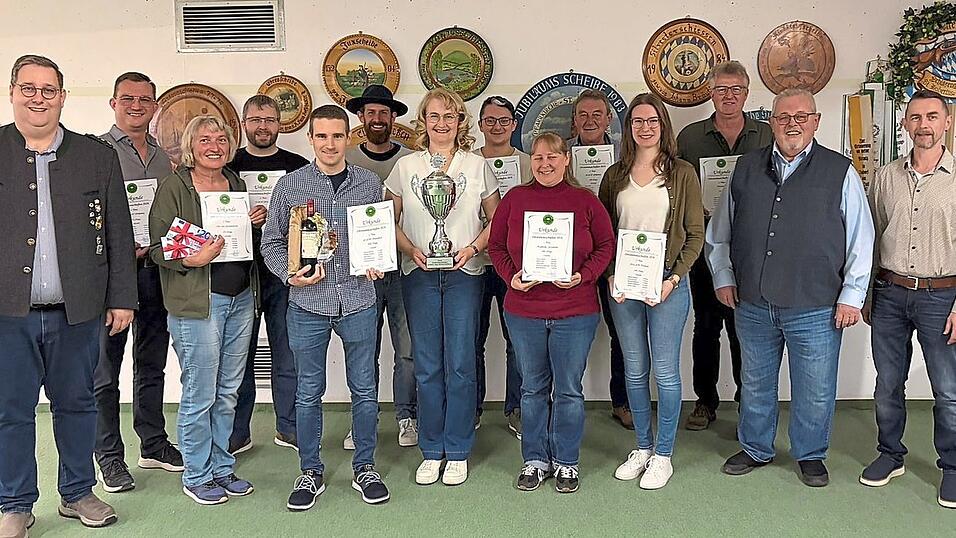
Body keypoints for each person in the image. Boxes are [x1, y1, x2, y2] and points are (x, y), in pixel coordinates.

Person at [706, 88, 874, 487]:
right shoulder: (745, 167)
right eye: (783, 117)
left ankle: (811, 454)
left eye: (802, 116)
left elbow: (860, 239)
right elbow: (720, 232)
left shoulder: (840, 171)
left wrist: (852, 296)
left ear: (815, 121)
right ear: (772, 122)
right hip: (754, 302)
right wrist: (723, 275)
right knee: (756, 382)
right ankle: (755, 447)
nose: (792, 123)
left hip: (816, 304)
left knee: (814, 389)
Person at [0, 54, 136, 534]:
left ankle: (78, 492)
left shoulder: (95, 156)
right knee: (10, 411)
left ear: (63, 96)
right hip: (8, 312)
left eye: (49, 89)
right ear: (13, 91)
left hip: (78, 311)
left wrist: (122, 296)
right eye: (29, 88)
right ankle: (14, 503)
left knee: (77, 404)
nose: (39, 98)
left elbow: (119, 229)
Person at [262, 105, 389, 510]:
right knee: (308, 391)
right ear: (311, 139)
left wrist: (379, 260)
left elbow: (378, 234)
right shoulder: (290, 186)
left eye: (337, 136)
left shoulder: (369, 184)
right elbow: (272, 242)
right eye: (322, 136)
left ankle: (365, 466)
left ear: (347, 138)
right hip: (307, 303)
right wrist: (289, 273)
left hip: (357, 299)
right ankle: (310, 470)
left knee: (365, 389)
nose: (330, 144)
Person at [385, 87, 500, 486]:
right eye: (434, 116)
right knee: (428, 364)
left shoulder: (476, 165)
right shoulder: (406, 166)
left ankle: (459, 448)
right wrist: (411, 248)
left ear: (460, 122)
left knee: (461, 363)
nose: (441, 123)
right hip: (418, 274)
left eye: (449, 116)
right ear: (424, 121)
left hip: (464, 275)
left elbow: (496, 220)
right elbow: (386, 218)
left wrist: (472, 248)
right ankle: (432, 449)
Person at [488, 131, 613, 493]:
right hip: (524, 310)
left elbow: (606, 246)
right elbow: (496, 246)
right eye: (538, 158)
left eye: (552, 157)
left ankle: (567, 461)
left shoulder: (585, 201)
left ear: (566, 160)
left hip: (575, 311)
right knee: (532, 388)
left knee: (569, 390)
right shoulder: (515, 198)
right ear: (531, 161)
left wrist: (583, 276)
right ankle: (535, 459)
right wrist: (511, 278)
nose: (545, 164)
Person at [149, 115, 262, 505]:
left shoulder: (236, 183)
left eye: (220, 139)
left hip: (241, 298)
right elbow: (157, 248)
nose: (213, 146)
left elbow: (239, 241)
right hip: (199, 303)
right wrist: (193, 260)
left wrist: (253, 223)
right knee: (200, 392)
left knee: (228, 390)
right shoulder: (174, 186)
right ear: (189, 147)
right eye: (204, 140)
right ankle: (197, 473)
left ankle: (221, 467)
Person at [602, 93, 704, 489]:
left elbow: (695, 236)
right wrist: (610, 275)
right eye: (637, 121)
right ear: (629, 128)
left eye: (652, 120)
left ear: (663, 125)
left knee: (664, 371)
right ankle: (642, 447)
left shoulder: (682, 173)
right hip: (624, 283)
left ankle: (663, 455)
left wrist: (673, 279)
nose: (645, 127)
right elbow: (603, 234)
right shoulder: (615, 175)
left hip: (667, 282)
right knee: (634, 369)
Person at [861, 89, 956, 508]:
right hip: (890, 293)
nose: (924, 125)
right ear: (905, 124)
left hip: (943, 296)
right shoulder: (885, 177)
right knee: (887, 383)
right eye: (915, 117)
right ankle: (890, 453)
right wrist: (865, 293)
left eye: (932, 116)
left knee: (948, 388)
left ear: (947, 122)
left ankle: (952, 467)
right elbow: (870, 239)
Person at [93, 72, 182, 495]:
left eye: (145, 99)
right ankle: (109, 457)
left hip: (156, 273)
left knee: (152, 364)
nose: (136, 105)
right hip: (111, 277)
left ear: (154, 107)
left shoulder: (165, 158)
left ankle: (153, 442)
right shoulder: (95, 152)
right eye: (127, 98)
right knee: (105, 372)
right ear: (113, 103)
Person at [677, 61, 773, 431]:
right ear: (711, 93)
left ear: (746, 94)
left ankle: (748, 399)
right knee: (706, 326)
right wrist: (695, 205)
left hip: (752, 249)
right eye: (721, 89)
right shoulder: (690, 137)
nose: (729, 96)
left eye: (736, 90)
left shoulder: (765, 134)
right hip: (705, 245)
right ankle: (705, 400)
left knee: (745, 328)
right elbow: (678, 185)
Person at [228, 94, 309, 456]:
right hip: (239, 273)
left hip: (284, 274)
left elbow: (312, 217)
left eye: (270, 119)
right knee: (239, 355)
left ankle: (289, 427)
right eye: (255, 119)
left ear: (280, 123)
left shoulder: (299, 166)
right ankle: (237, 432)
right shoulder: (227, 165)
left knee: (287, 350)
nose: (263, 126)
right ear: (244, 124)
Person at [344, 84, 418, 449]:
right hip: (361, 274)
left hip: (403, 269)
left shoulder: (410, 160)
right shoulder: (347, 160)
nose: (377, 119)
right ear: (361, 117)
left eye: (384, 113)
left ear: (393, 118)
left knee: (406, 349)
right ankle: (363, 419)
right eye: (371, 112)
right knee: (364, 348)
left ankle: (406, 416)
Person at [568, 89, 629, 427]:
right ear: (574, 121)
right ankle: (560, 400)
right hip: (569, 257)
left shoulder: (624, 160)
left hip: (612, 256)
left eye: (597, 114)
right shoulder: (559, 158)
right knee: (561, 328)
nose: (590, 121)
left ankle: (621, 401)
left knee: (621, 331)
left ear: (608, 119)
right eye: (583, 115)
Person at [473, 95, 531, 438]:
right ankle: (473, 408)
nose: (497, 126)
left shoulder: (528, 164)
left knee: (518, 342)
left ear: (513, 125)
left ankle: (517, 408)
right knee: (472, 340)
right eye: (490, 120)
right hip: (475, 263)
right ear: (481, 125)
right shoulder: (465, 163)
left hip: (516, 267)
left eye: (504, 121)